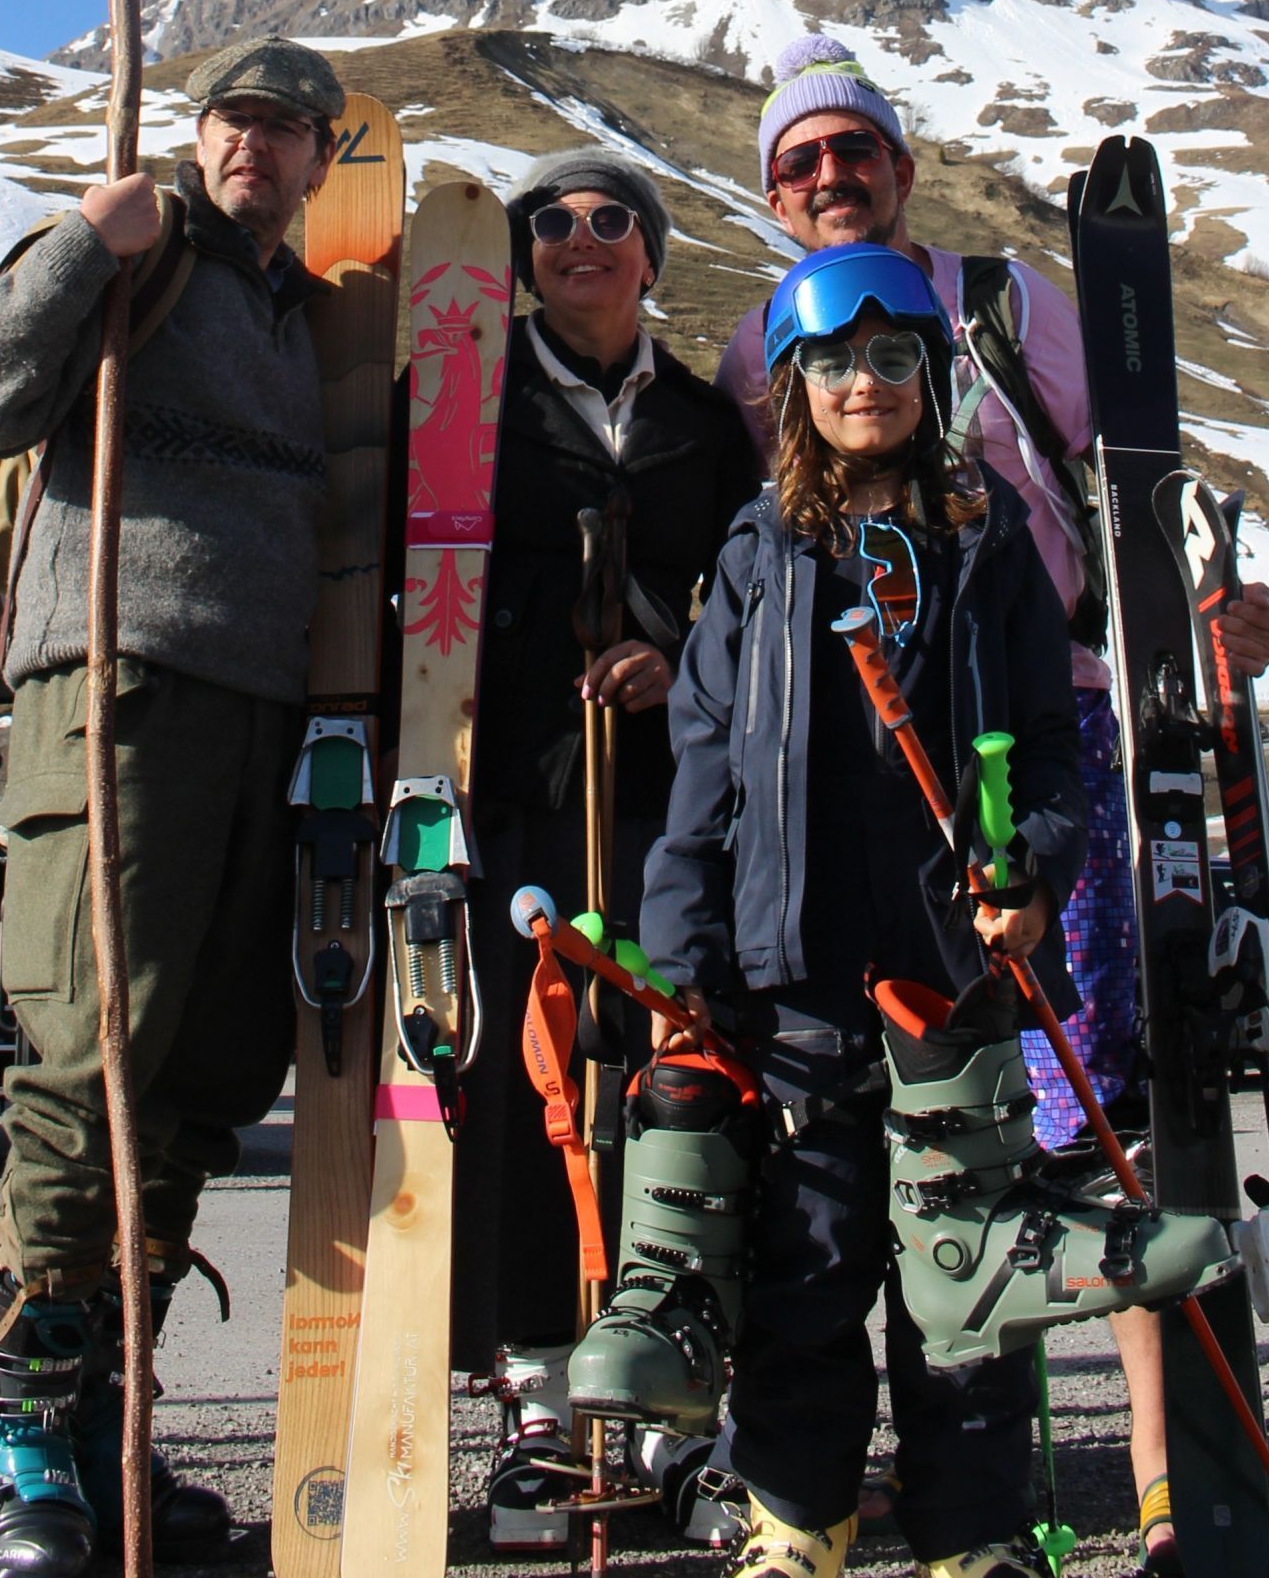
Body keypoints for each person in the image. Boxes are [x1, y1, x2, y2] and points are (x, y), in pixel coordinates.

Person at [718, 34, 1269, 1573]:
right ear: (771, 197)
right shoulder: (752, 342)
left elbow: (1139, 463)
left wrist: (1220, 595)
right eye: (799, 161)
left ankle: (1167, 1484)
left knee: (1086, 1123)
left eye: (855, 152)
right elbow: (741, 565)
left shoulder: (1004, 305)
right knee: (885, 1156)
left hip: (1048, 748)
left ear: (901, 171)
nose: (830, 177)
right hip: (849, 797)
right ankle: (886, 1492)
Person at [0, 36, 345, 1578]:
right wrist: (79, 252)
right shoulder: (127, 238)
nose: (256, 144)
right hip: (115, 685)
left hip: (259, 717)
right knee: (92, 1048)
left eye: (287, 129)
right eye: (236, 118)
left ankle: (111, 1433)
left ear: (317, 158)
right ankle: (20, 1435)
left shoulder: (306, 317)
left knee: (195, 1081)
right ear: (203, 133)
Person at [641, 243, 1088, 1578]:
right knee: (808, 1265)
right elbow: (701, 778)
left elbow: (1048, 756)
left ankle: (972, 1534)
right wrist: (684, 962)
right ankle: (797, 1522)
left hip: (953, 972)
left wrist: (1029, 876)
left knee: (965, 1279)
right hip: (793, 984)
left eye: (891, 358)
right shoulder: (757, 554)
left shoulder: (989, 544)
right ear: (792, 387)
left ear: (932, 376)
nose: (862, 384)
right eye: (832, 362)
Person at [426, 149, 757, 1548]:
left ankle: (671, 1401)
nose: (578, 240)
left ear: (650, 254)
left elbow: (746, 601)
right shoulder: (462, 402)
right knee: (515, 1092)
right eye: (548, 224)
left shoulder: (702, 422)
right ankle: (535, 1399)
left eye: (610, 220)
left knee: (661, 1088)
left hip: (664, 814)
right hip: (510, 799)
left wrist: (673, 658)